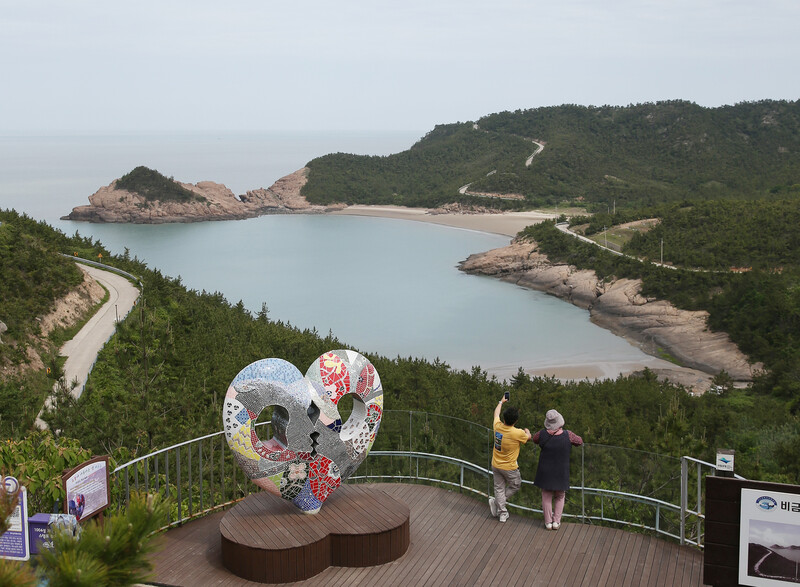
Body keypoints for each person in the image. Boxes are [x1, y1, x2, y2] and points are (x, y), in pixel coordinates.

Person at [532, 409, 583, 530]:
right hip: (561, 470)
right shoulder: (568, 435)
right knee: (560, 496)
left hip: (545, 470)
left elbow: (534, 439)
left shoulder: (542, 434)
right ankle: (556, 522)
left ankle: (548, 522)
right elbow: (579, 441)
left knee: (546, 495)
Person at [489, 395, 531, 523]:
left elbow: (496, 413)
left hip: (495, 464)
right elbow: (528, 438)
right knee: (516, 485)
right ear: (515, 421)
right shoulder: (517, 433)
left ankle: (502, 513)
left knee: (499, 488)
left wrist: (501, 402)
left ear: (504, 419)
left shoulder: (498, 426)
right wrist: (527, 431)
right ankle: (498, 504)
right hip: (510, 468)